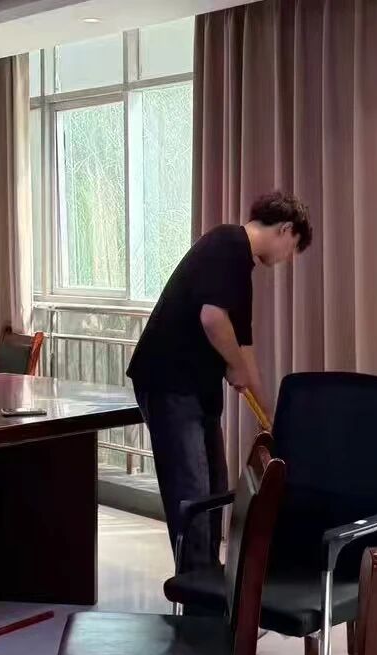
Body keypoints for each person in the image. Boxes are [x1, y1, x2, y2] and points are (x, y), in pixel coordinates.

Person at [127, 191, 313, 573]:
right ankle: (196, 589)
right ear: (284, 229)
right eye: (292, 248)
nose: (287, 258)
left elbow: (244, 351)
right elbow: (212, 319)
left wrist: (268, 418)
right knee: (191, 489)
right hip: (169, 383)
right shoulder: (227, 244)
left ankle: (211, 582)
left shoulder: (241, 270)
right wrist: (234, 364)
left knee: (214, 486)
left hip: (198, 388)